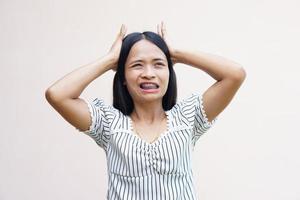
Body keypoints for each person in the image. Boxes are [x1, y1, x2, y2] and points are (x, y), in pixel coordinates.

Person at [45, 22, 246, 199]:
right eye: (137, 65)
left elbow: (235, 74)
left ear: (169, 72)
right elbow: (57, 94)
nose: (148, 74)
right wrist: (109, 60)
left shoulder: (188, 117)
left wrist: (176, 53)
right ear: (123, 76)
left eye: (159, 64)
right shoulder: (107, 123)